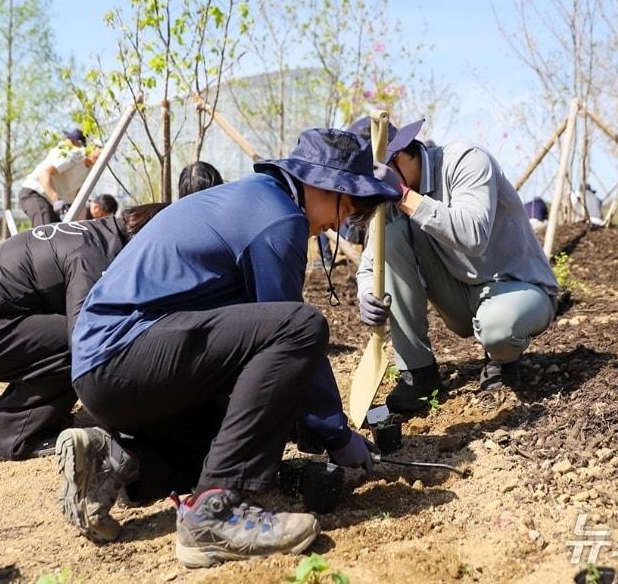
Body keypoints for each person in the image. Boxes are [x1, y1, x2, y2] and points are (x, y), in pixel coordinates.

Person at [57, 128, 401, 565]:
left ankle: (116, 463)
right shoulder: (278, 218)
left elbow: (258, 359)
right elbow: (291, 328)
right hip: (124, 353)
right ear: (318, 183)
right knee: (303, 325)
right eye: (346, 207)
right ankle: (212, 516)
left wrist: (297, 426)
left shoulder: (256, 199)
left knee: (243, 434)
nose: (339, 224)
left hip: (108, 368)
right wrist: (334, 433)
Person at [0, 204, 167, 460]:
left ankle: (41, 415)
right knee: (84, 343)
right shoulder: (93, 256)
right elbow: (85, 341)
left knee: (69, 336)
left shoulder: (100, 233)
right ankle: (15, 433)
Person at [352, 116, 559, 411]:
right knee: (393, 234)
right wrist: (365, 295)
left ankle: (503, 360)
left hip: (518, 287)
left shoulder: (466, 161)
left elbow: (472, 236)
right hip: (461, 296)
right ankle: (418, 373)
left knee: (498, 328)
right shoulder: (392, 198)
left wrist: (405, 197)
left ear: (396, 158)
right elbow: (371, 265)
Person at [18, 129, 100, 227]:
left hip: (51, 202)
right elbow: (43, 174)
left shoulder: (90, 171)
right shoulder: (73, 154)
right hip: (36, 193)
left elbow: (79, 197)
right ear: (92, 149)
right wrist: (56, 200)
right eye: (99, 148)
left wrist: (80, 225)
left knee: (58, 234)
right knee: (47, 233)